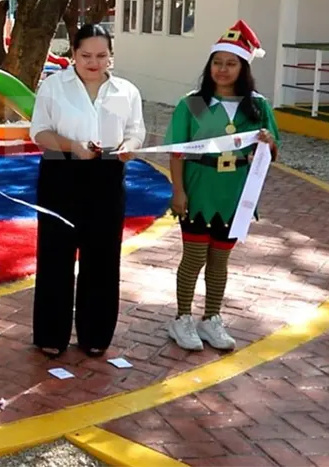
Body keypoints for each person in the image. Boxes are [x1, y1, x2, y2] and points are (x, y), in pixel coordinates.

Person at [29, 23, 145, 358]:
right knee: (55, 255)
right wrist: (72, 146)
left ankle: (96, 334)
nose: (93, 62)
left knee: (103, 257)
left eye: (101, 55)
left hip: (107, 176)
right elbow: (40, 132)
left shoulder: (127, 91)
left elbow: (137, 131)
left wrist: (128, 147)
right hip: (60, 175)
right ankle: (51, 333)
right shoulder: (54, 86)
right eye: (85, 55)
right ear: (73, 54)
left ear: (111, 56)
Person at [164, 20, 279, 352]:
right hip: (199, 186)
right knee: (194, 256)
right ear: (209, 65)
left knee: (220, 259)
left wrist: (267, 141)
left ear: (243, 68)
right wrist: (178, 190)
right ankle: (182, 318)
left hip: (235, 192)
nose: (222, 69)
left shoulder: (257, 106)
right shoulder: (195, 103)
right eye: (217, 62)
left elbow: (271, 151)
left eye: (231, 63)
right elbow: (177, 150)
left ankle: (211, 317)